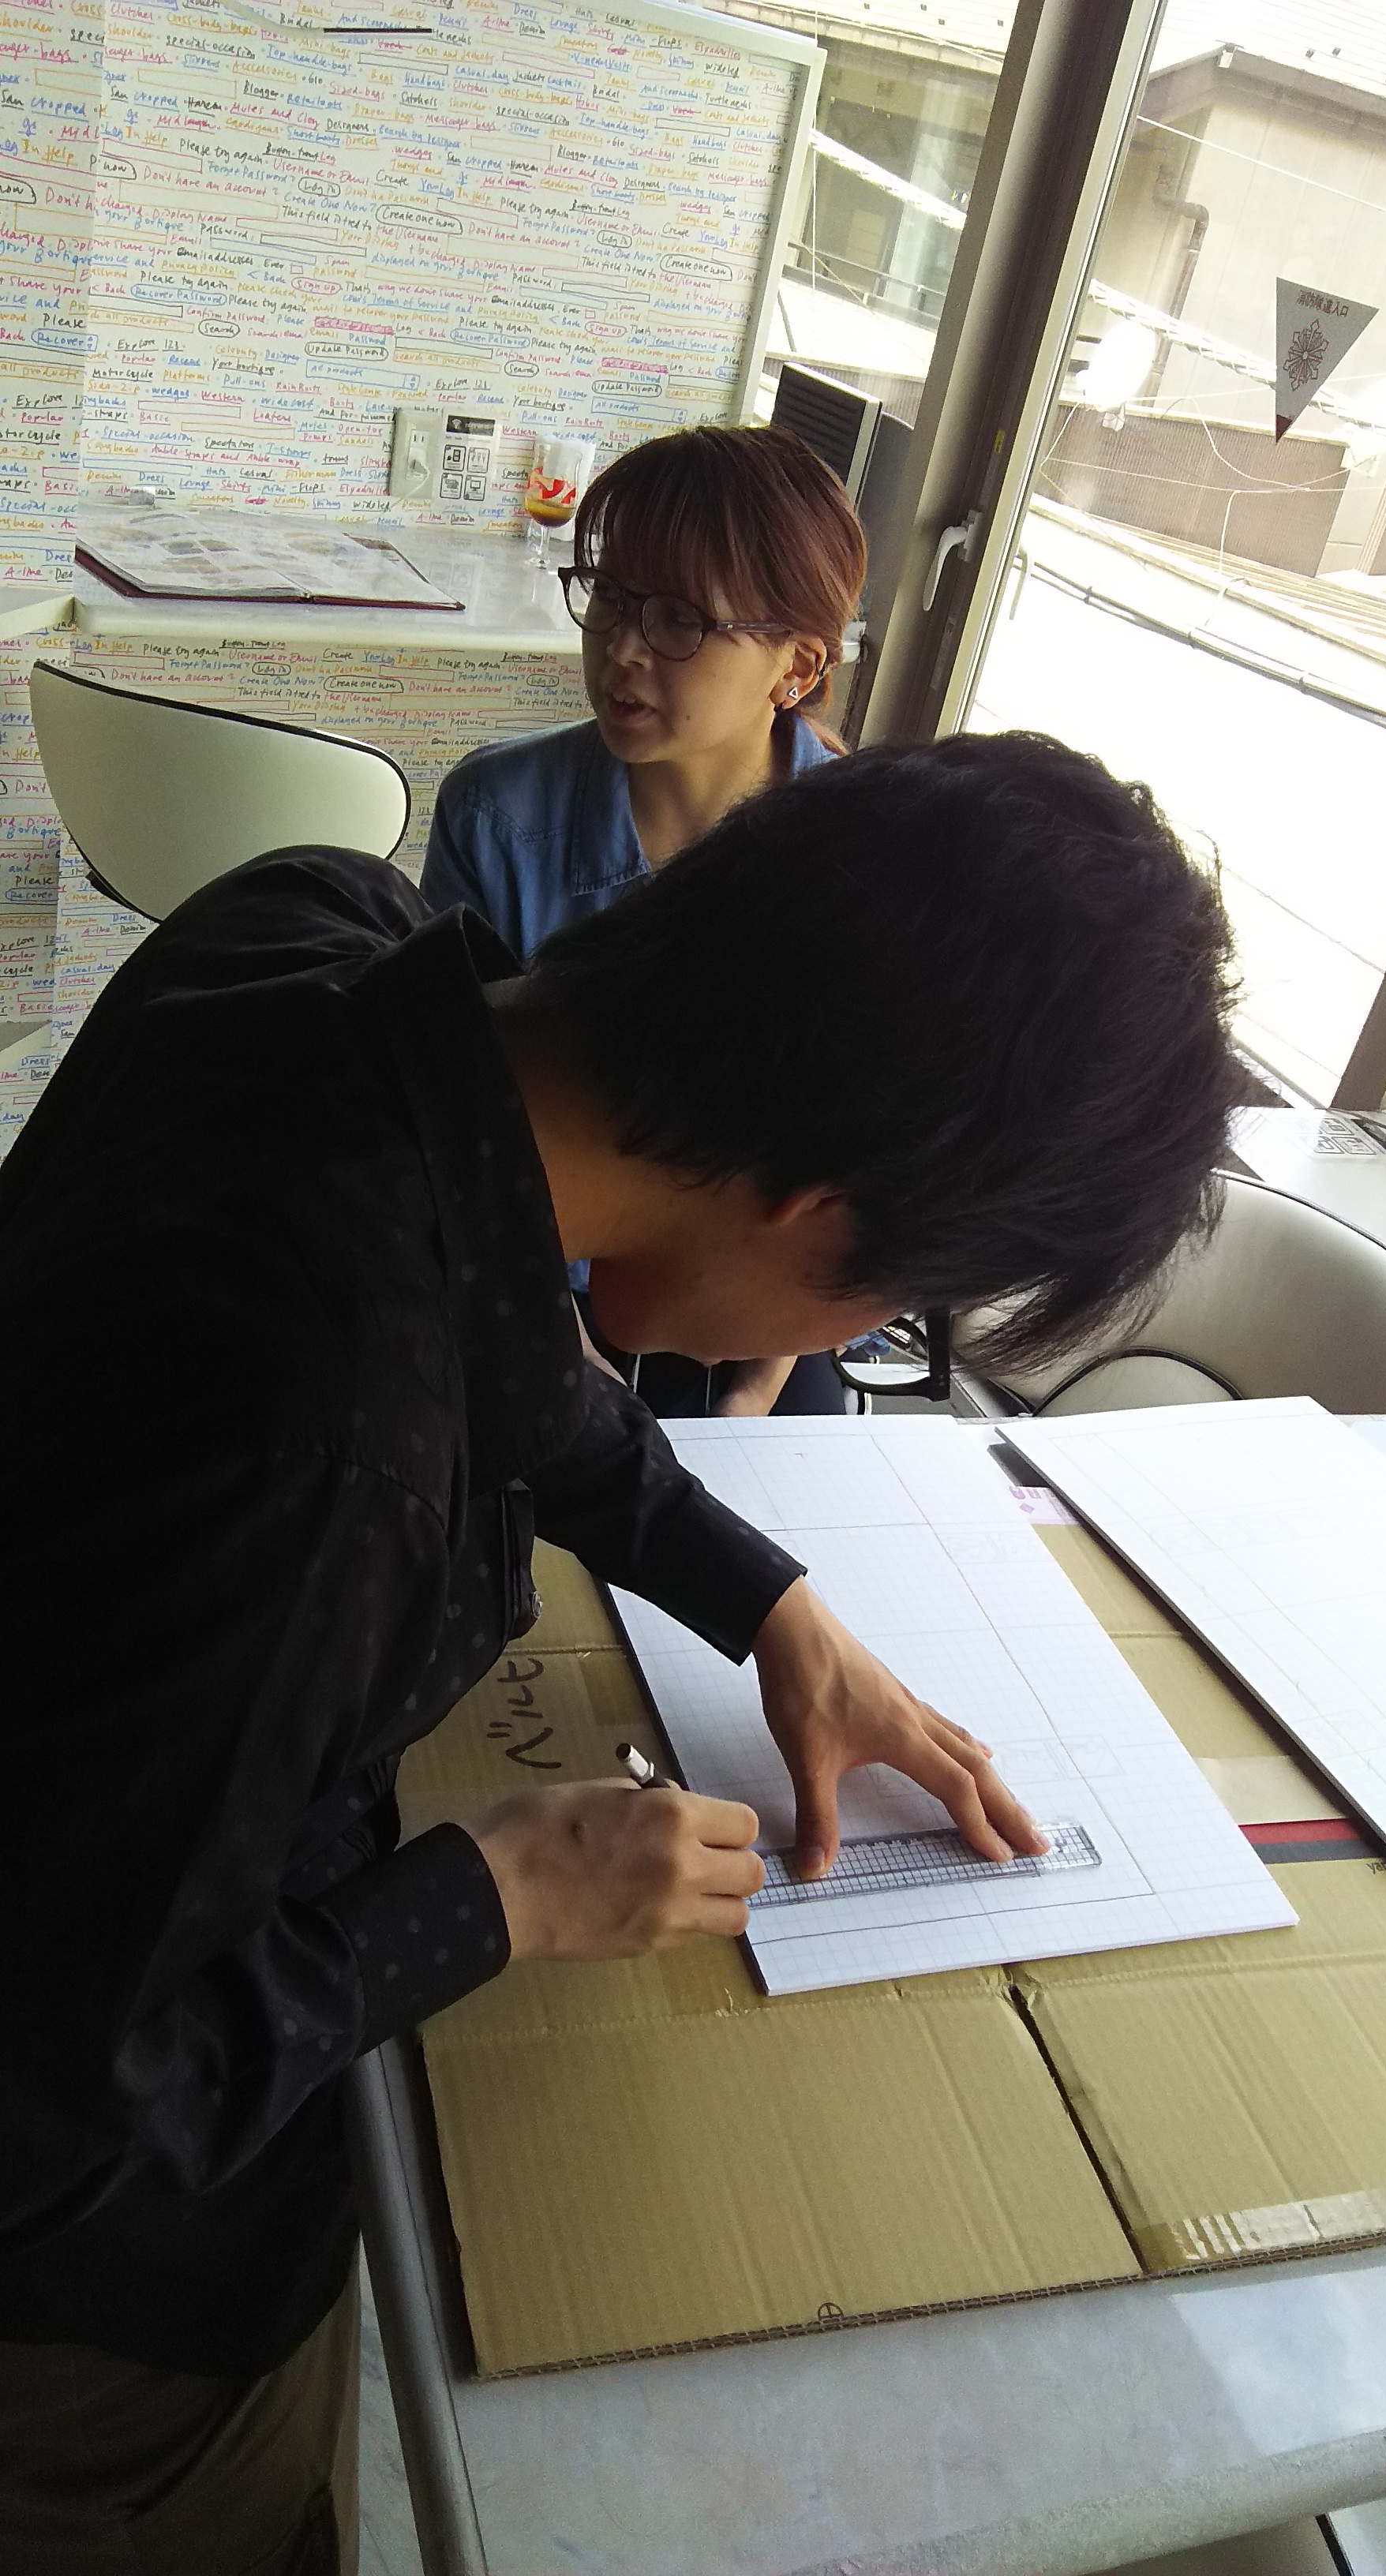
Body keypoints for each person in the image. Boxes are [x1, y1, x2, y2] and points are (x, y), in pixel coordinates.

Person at [0, 728, 1238, 2573]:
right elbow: (45, 2120)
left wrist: (768, 1603)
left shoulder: (316, 935)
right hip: (99, 2333)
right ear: (812, 1213)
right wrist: (496, 1895)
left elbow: (499, 1330)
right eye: (885, 1300)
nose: (851, 1328)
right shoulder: (330, 1461)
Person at [421, 422, 867, 1420]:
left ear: (795, 668)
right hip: (536, 1276)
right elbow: (458, 1114)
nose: (623, 649)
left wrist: (761, 1379)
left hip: (769, 1291)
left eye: (679, 621)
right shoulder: (496, 815)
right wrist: (559, 1346)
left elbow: (863, 1152)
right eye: (613, 598)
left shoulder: (865, 855)